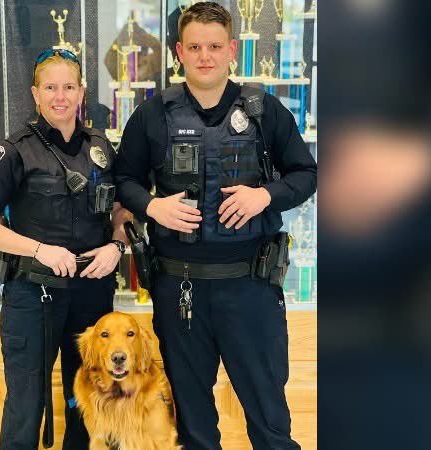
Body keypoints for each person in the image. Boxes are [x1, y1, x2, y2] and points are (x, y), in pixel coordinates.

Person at [113, 3, 317, 449]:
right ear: (178, 52)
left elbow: (306, 174)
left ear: (233, 51)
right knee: (194, 427)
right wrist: (152, 207)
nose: (205, 56)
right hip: (179, 290)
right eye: (195, 46)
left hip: (251, 288)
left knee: (269, 422)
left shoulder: (265, 111)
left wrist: (265, 195)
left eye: (215, 46)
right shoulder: (152, 115)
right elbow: (123, 180)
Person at [0, 48, 132, 450]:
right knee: (27, 403)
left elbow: (123, 210)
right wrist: (40, 249)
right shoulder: (14, 150)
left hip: (92, 294)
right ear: (35, 93)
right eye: (51, 87)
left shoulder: (101, 147)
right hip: (33, 294)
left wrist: (116, 245)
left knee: (88, 401)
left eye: (69, 87)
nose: (60, 96)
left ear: (81, 92)